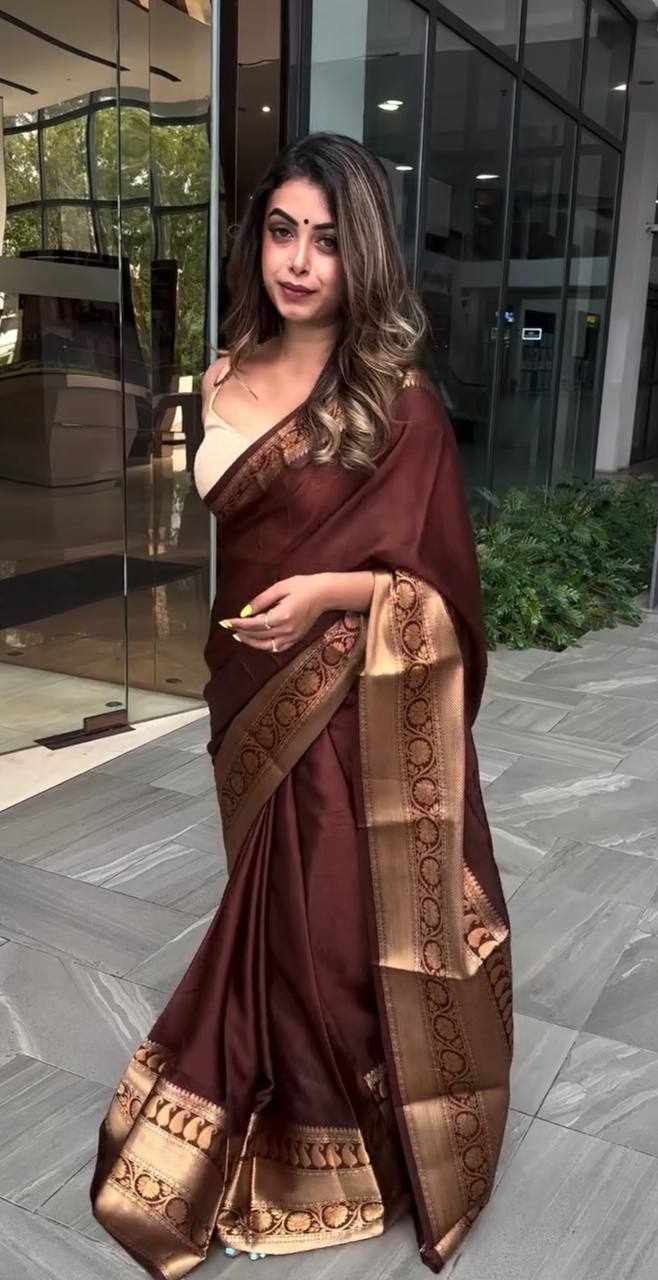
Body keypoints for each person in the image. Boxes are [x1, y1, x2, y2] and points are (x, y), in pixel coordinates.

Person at [89, 132, 513, 1279]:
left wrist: (334, 591)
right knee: (270, 915)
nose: (298, 260)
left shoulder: (395, 404)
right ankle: (277, 1102)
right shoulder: (222, 372)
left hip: (345, 702)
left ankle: (345, 1135)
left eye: (326, 240)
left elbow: (442, 592)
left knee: (325, 927)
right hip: (243, 694)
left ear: (359, 253)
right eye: (281, 231)